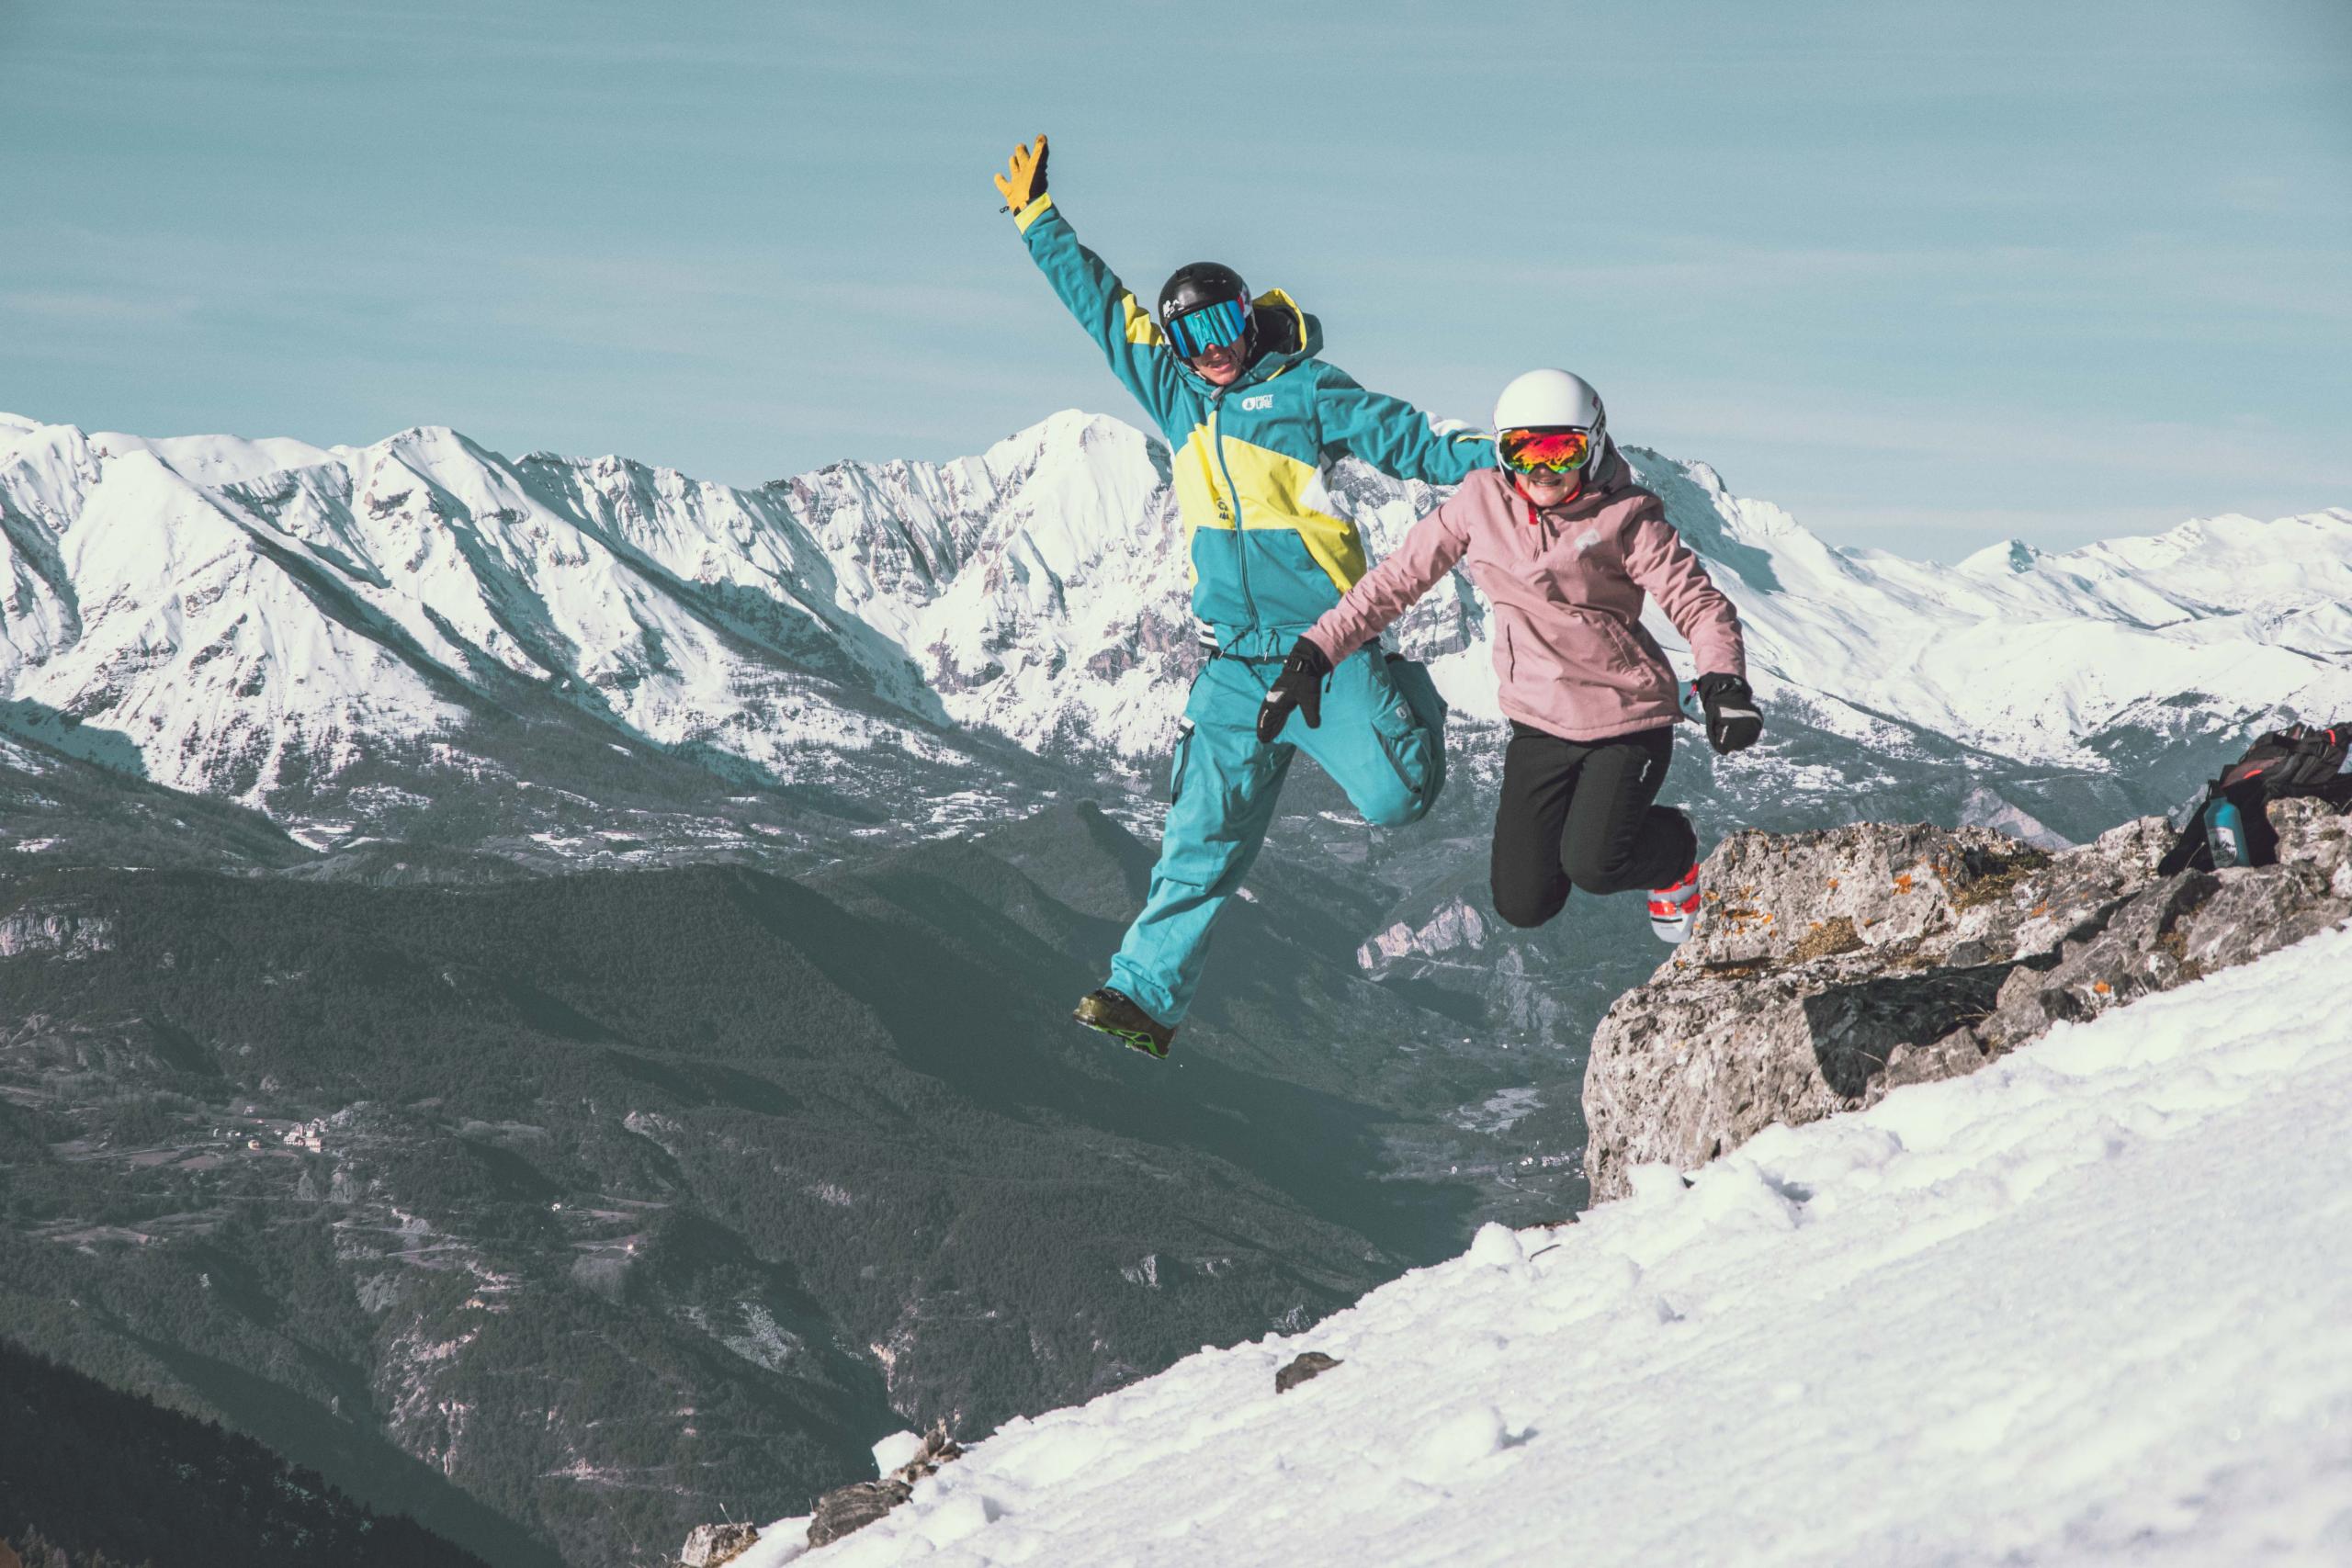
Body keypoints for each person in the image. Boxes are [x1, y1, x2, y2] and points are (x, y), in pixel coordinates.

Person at [992, 134, 1492, 1058]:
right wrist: (1037, 220)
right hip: (1233, 664)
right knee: (1199, 835)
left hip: (1327, 650)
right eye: (1190, 337)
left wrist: (1506, 466)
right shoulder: (1179, 398)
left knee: (1397, 801)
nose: (1211, 348)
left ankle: (1406, 698)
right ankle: (1142, 997)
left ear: (1249, 319)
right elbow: (1104, 312)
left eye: (1222, 325)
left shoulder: (1304, 393)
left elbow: (1410, 439)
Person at [1257, 369, 1762, 943]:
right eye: (1522, 451)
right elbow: (1394, 582)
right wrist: (1314, 655)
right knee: (1525, 903)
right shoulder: (1480, 502)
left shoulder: (1627, 516)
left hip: (1625, 717)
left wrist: (1724, 682)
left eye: (1559, 450)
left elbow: (1695, 600)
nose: (1540, 470)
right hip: (1539, 721)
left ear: (1592, 445)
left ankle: (1676, 848)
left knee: (1594, 864)